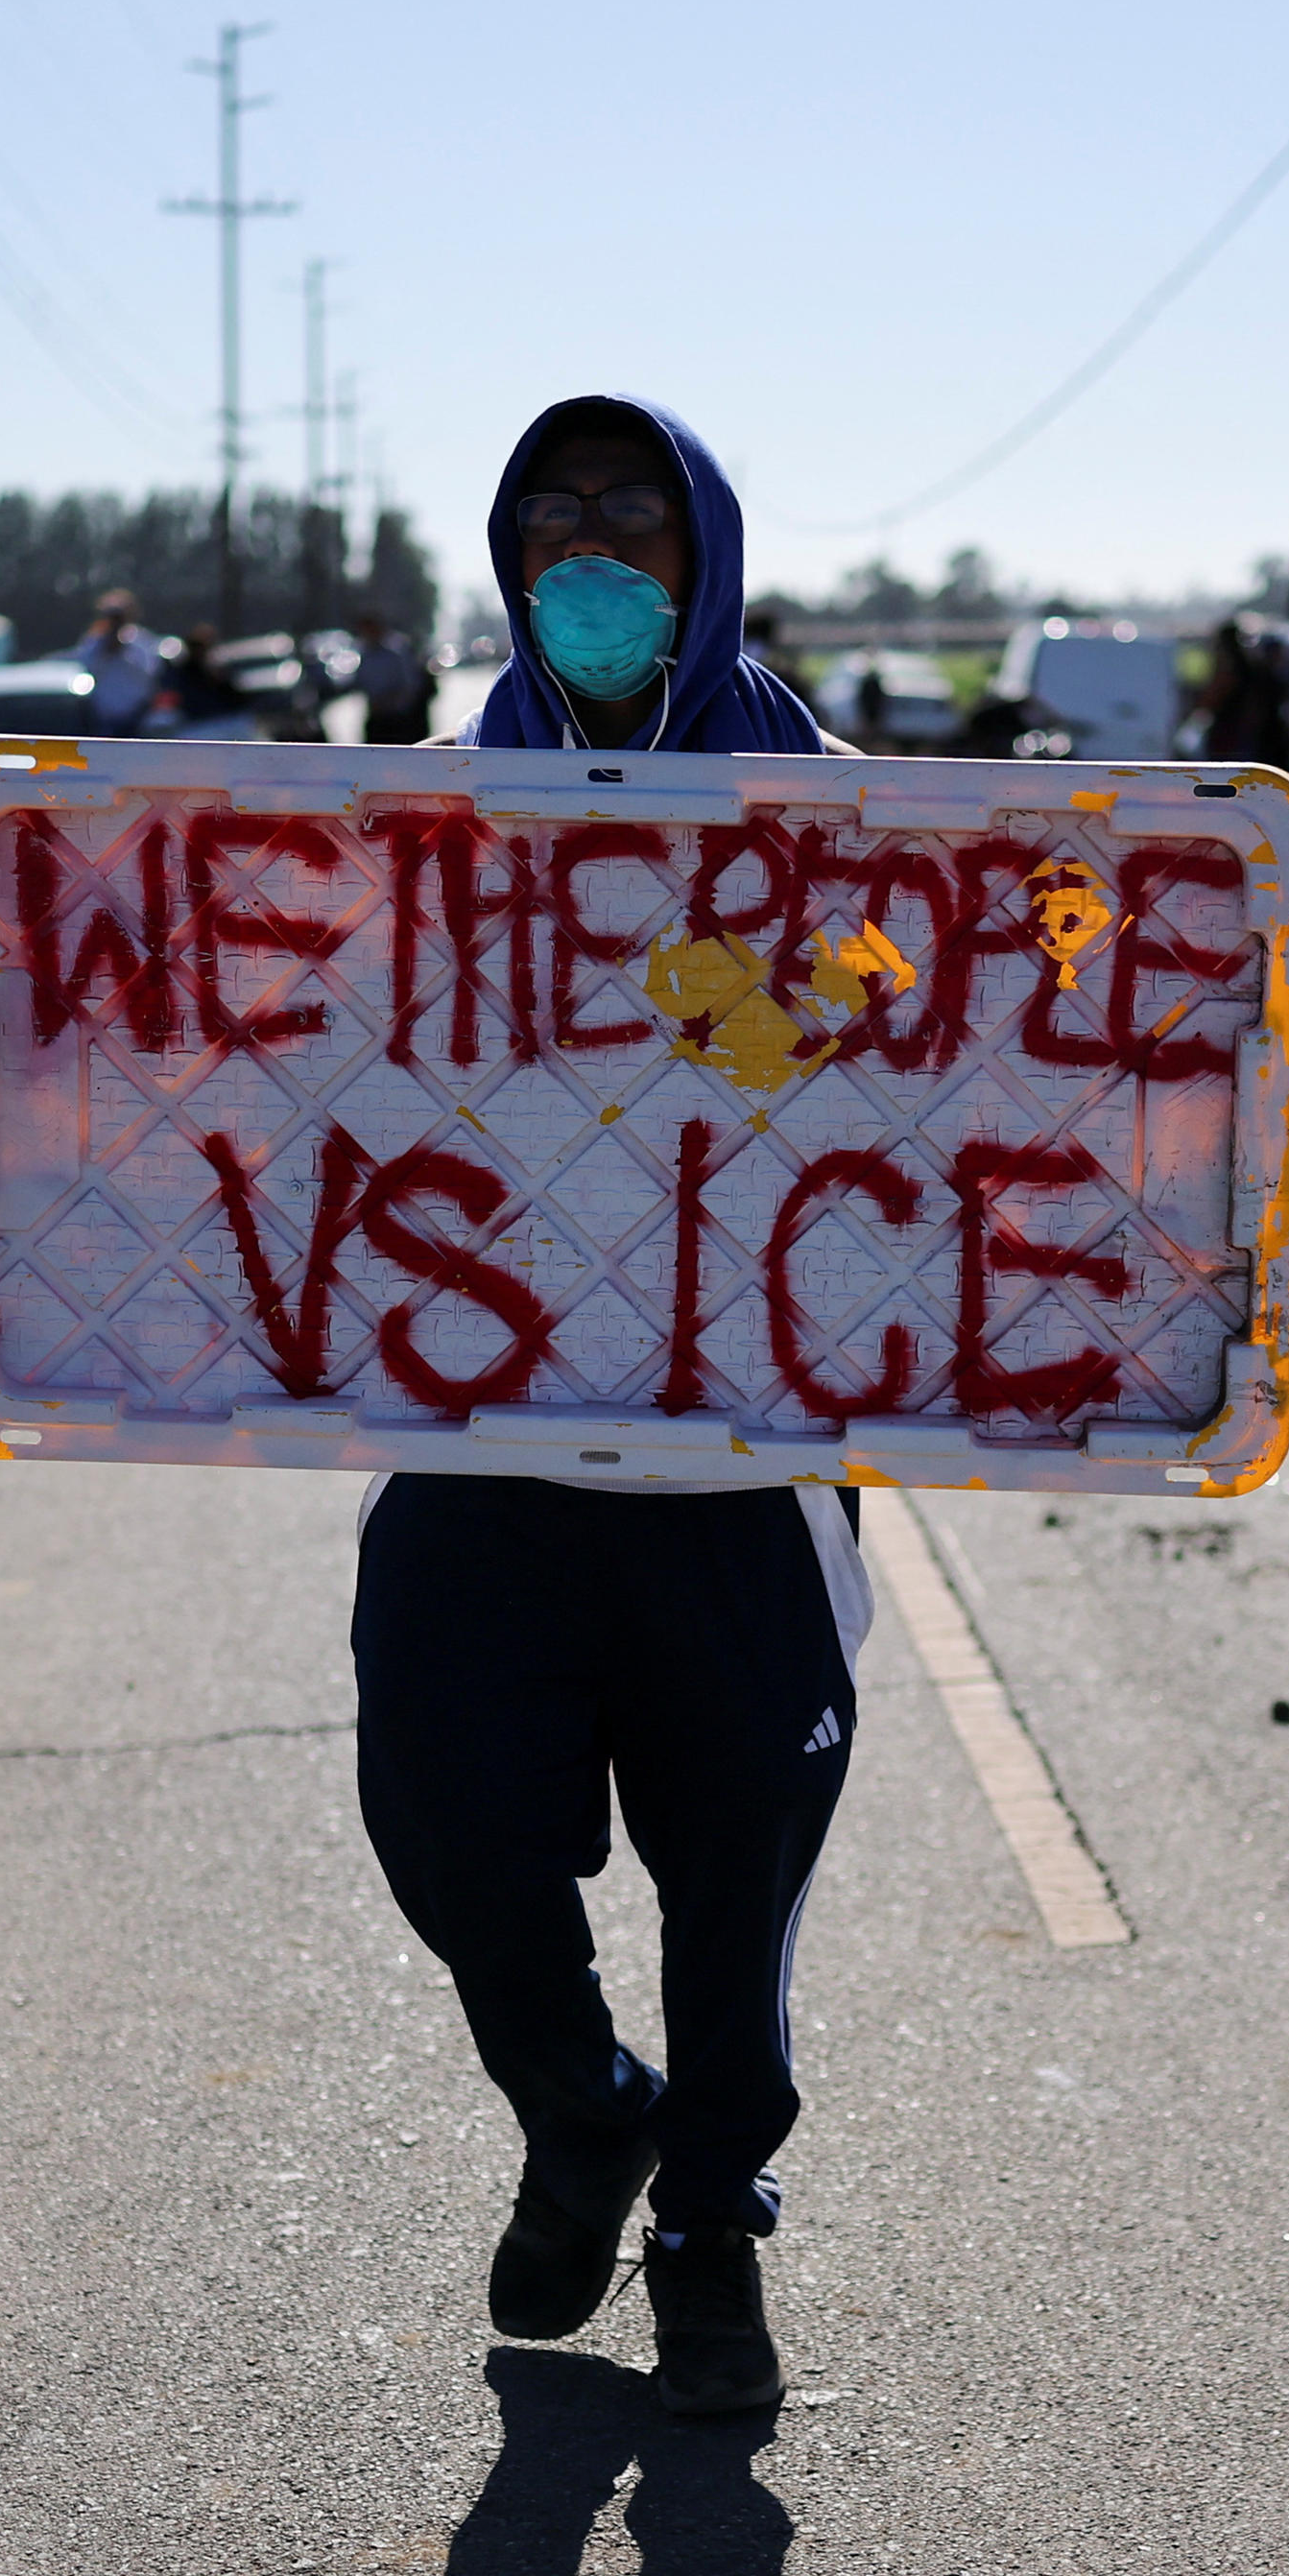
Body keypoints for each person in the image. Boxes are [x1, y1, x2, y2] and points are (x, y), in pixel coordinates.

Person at [370, 391, 867, 2421]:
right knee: (446, 1820)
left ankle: (708, 2227)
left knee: (734, 1866)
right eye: (549, 511)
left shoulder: (835, 810)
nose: (587, 547)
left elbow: (934, 1068)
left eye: (628, 510)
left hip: (738, 1462)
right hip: (485, 1435)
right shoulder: (410, 807)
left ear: (705, 545)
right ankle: (582, 2109)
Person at [1201, 614, 1289, 779]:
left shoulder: (1235, 670)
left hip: (1237, 740)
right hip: (1246, 740)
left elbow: (1212, 701)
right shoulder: (1254, 667)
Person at [70, 591, 163, 732]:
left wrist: (122, 651)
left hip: (138, 721)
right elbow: (83, 669)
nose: (115, 622)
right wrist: (105, 650)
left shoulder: (142, 640)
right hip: (100, 720)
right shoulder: (93, 642)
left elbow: (150, 673)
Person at [349, 605, 432, 743]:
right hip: (376, 718)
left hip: (399, 719)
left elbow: (410, 685)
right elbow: (359, 682)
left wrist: (390, 699)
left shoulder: (396, 652)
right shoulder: (364, 654)